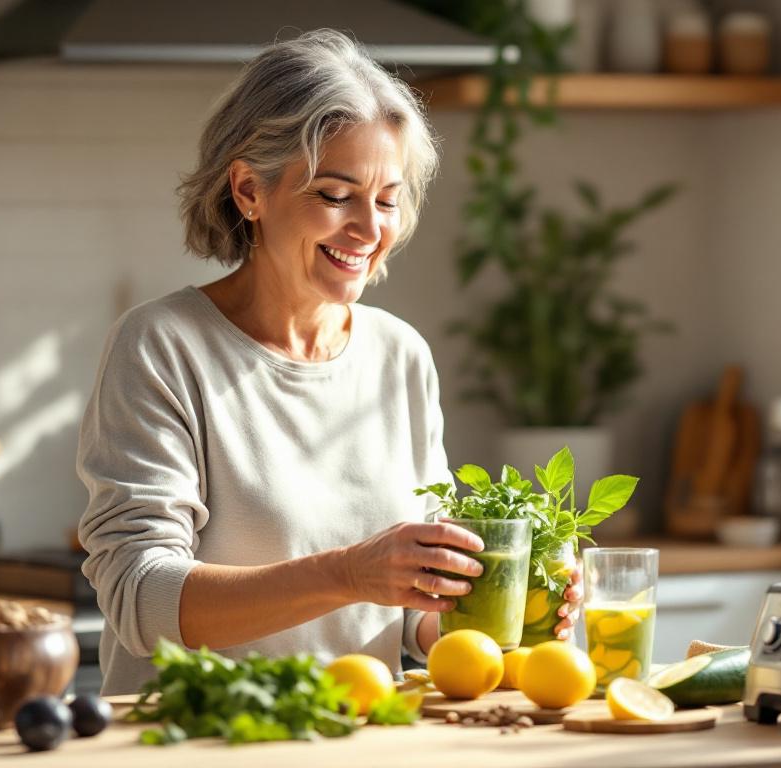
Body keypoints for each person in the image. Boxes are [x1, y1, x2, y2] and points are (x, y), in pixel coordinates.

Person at [76, 29, 580, 695]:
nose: (370, 231)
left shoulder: (399, 356)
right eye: (336, 195)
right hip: (194, 742)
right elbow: (142, 601)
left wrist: (508, 603)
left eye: (387, 198)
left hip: (359, 738)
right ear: (250, 191)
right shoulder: (162, 346)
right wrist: (348, 573)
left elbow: (410, 620)